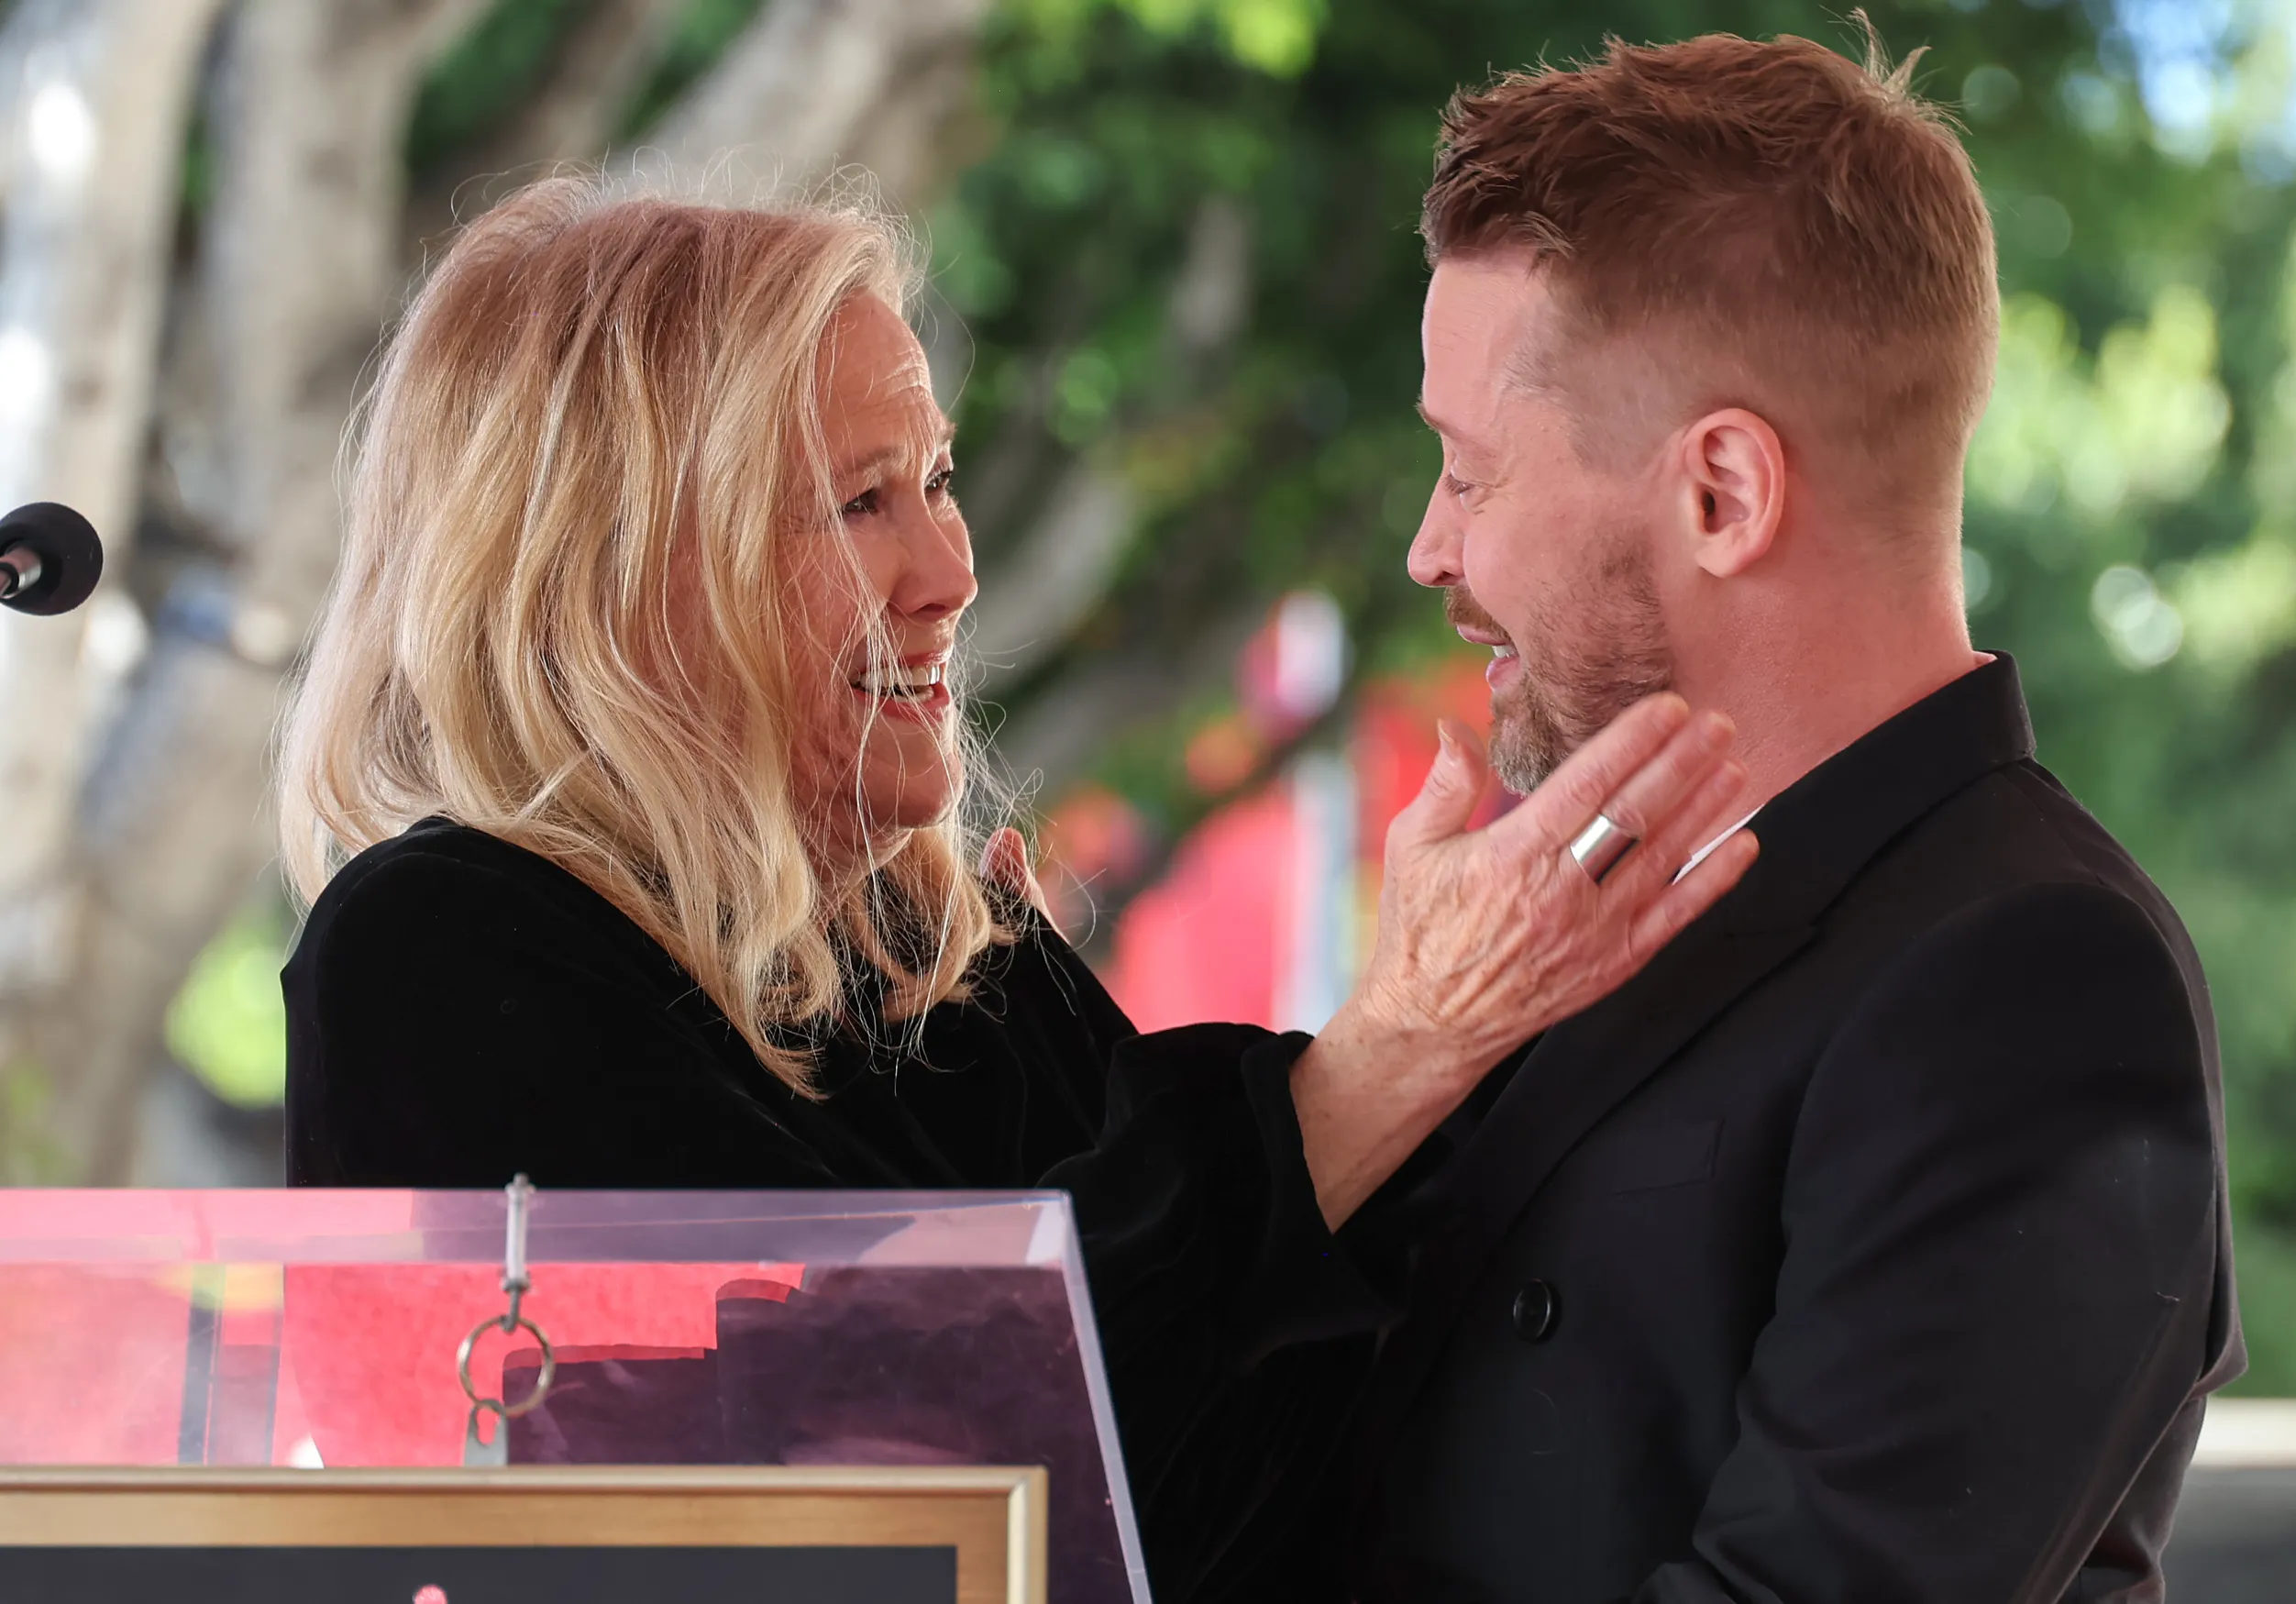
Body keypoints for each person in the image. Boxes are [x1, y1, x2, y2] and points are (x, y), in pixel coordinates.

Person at [274, 178, 1755, 1595]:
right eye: (861, 502)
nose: (949, 569)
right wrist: (1406, 1041)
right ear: (619, 568)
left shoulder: (923, 944)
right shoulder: (438, 943)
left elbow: (1237, 1449)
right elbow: (872, 1451)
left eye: (936, 480)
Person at [1201, 31, 2241, 1604]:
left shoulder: (2036, 980)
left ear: (1723, 496)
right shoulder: (1574, 916)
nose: (1429, 551)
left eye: (1468, 476)